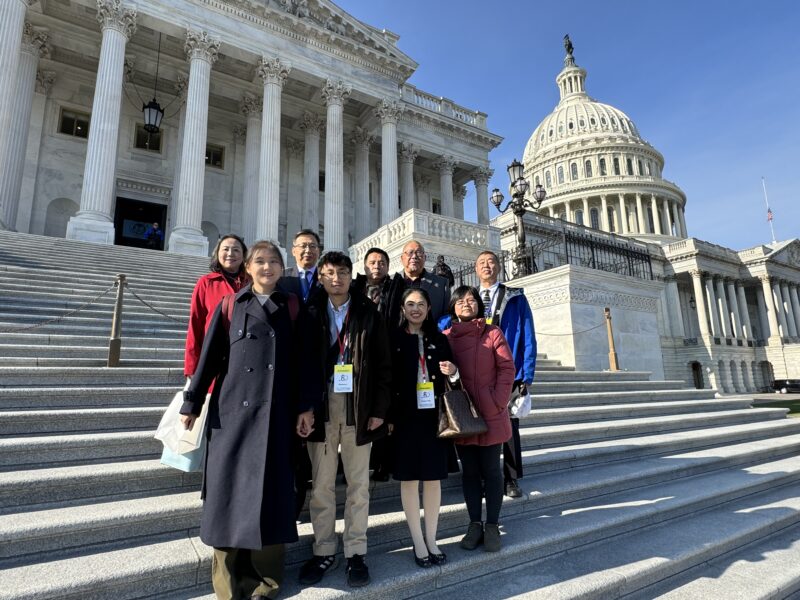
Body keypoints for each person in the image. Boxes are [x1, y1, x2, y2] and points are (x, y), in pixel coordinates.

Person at [179, 240, 321, 600]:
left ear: (282, 267)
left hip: (276, 414)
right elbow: (209, 356)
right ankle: (228, 582)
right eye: (261, 261)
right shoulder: (230, 304)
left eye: (274, 262)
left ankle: (267, 580)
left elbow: (306, 362)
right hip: (231, 415)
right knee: (227, 494)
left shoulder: (292, 306)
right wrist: (191, 403)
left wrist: (306, 407)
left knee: (272, 493)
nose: (268, 267)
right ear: (249, 267)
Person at [299, 251, 392, 588]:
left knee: (358, 485)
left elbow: (383, 365)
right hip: (322, 405)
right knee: (322, 485)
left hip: (358, 405)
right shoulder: (309, 312)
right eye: (328, 273)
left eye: (341, 272)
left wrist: (379, 410)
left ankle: (356, 551)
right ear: (320, 277)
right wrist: (304, 407)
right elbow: (302, 364)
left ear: (353, 276)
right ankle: (323, 549)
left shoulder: (369, 312)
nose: (335, 278)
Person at [442, 285, 515, 553]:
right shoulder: (447, 336)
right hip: (463, 414)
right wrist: (451, 374)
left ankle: (492, 525)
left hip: (491, 411)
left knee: (492, 472)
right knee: (470, 473)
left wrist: (498, 400)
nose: (466, 304)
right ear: (453, 306)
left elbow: (507, 367)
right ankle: (474, 523)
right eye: (460, 300)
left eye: (471, 300)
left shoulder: (492, 332)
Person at [390, 287, 457, 568]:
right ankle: (417, 542)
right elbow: (386, 378)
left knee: (432, 478)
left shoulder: (438, 339)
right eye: (410, 304)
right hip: (404, 417)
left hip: (433, 417)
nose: (415, 309)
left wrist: (452, 371)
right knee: (409, 478)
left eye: (420, 304)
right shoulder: (392, 338)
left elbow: (453, 374)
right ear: (402, 309)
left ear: (429, 308)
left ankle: (432, 539)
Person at [475, 250, 537, 498]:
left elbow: (529, 336)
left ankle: (511, 478)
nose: (486, 266)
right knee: (480, 426)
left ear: (498, 267)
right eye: (481, 263)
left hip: (508, 370)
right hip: (479, 371)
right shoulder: (471, 298)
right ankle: (484, 476)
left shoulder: (515, 297)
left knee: (509, 426)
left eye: (490, 262)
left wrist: (527, 376)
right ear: (476, 269)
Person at [351, 247, 403, 481]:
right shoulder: (354, 288)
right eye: (373, 261)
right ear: (364, 265)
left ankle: (382, 462)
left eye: (382, 262)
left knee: (383, 409)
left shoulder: (395, 287)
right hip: (357, 354)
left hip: (385, 352)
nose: (377, 265)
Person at [184, 234, 248, 382]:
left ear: (244, 255)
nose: (230, 254)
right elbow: (195, 324)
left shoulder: (251, 283)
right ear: (217, 253)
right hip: (214, 356)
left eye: (236, 250)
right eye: (225, 249)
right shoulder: (206, 283)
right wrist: (192, 367)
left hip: (244, 358)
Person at [398, 240, 451, 321]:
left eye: (418, 252)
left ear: (425, 258)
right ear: (402, 258)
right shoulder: (392, 283)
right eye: (410, 252)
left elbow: (446, 314)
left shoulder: (441, 284)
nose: (414, 256)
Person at [279, 229, 324, 304]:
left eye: (312, 246)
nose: (308, 250)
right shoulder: (282, 277)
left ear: (318, 251)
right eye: (303, 246)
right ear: (293, 251)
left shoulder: (326, 278)